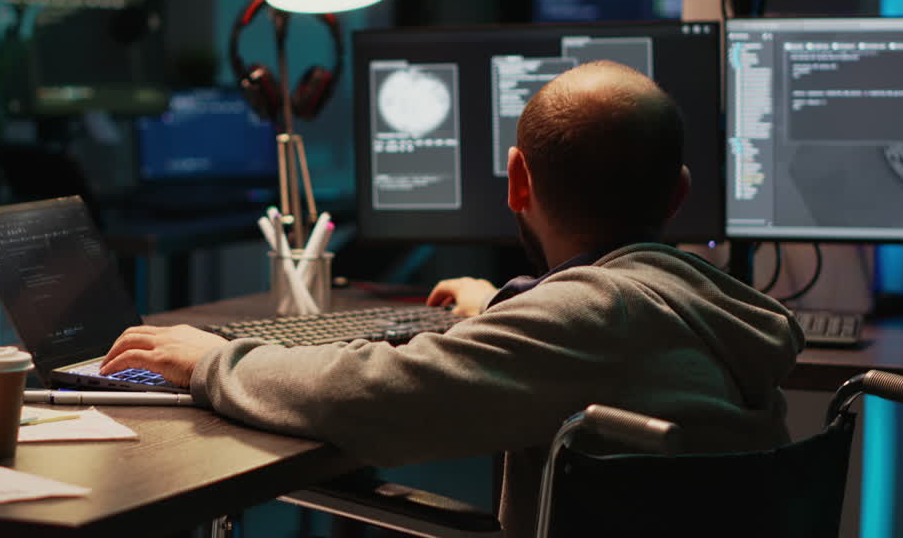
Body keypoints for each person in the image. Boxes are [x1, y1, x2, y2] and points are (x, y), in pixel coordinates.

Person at [100, 60, 803, 537]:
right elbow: (585, 335)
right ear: (678, 193)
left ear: (517, 182)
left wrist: (215, 361)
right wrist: (505, 306)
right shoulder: (703, 308)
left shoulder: (595, 317)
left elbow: (377, 394)